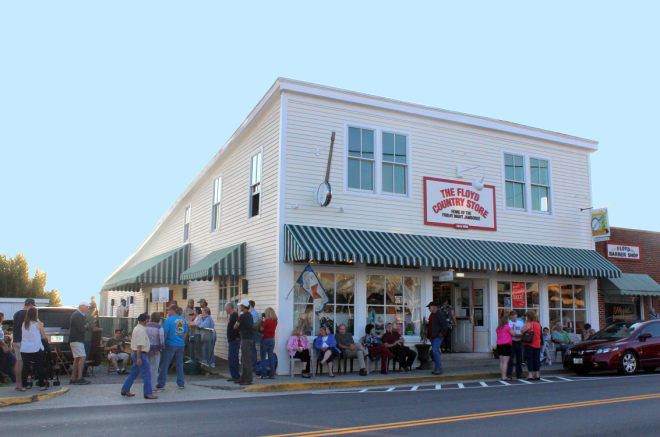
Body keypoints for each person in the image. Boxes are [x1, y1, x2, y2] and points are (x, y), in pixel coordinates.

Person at [120, 313, 157, 399]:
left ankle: (125, 389)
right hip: (140, 354)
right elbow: (140, 344)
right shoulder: (141, 330)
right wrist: (139, 358)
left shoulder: (136, 328)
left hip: (136, 353)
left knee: (133, 373)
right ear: (145, 321)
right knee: (147, 374)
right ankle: (148, 393)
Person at [69, 301, 102, 385]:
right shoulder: (77, 315)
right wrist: (87, 326)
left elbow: (86, 325)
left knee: (77, 359)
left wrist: (87, 326)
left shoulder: (81, 315)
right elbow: (82, 328)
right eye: (86, 307)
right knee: (83, 357)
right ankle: (79, 377)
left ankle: (73, 378)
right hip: (77, 339)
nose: (87, 308)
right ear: (81, 306)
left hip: (77, 339)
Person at [157, 304, 188, 390]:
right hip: (180, 344)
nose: (167, 312)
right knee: (179, 364)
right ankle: (181, 382)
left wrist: (162, 343)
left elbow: (165, 333)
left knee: (165, 364)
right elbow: (185, 332)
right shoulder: (183, 320)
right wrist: (181, 340)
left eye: (168, 310)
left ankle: (161, 383)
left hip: (170, 344)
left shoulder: (168, 320)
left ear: (173, 311)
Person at [20, 307, 48, 391]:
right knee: (39, 366)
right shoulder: (38, 324)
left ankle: (23, 386)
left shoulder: (24, 324)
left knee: (25, 367)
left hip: (25, 348)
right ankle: (42, 385)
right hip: (36, 347)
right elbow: (43, 336)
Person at [13, 298, 36, 391]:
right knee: (22, 363)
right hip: (23, 341)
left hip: (15, 340)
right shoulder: (27, 314)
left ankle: (18, 384)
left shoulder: (16, 313)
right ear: (30, 305)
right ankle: (22, 384)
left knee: (18, 363)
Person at [234, 300, 254, 386]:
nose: (240, 308)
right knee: (244, 358)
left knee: (246, 359)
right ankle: (243, 377)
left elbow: (235, 326)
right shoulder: (250, 315)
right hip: (249, 338)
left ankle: (249, 378)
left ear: (243, 306)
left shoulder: (243, 316)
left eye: (240, 306)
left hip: (245, 339)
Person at [427, 301, 448, 375]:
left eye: (429, 307)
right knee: (435, 351)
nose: (429, 308)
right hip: (432, 335)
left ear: (434, 307)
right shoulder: (432, 315)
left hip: (437, 335)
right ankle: (437, 368)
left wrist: (442, 333)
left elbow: (444, 325)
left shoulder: (439, 314)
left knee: (435, 351)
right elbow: (431, 324)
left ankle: (438, 368)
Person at [521, 310, 542, 380]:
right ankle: (537, 374)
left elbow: (522, 330)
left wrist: (525, 323)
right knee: (536, 359)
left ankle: (530, 374)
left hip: (529, 343)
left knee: (529, 359)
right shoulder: (538, 324)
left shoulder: (529, 324)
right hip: (537, 344)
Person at [146, 312, 164, 393]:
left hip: (146, 348)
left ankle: (146, 385)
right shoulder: (159, 327)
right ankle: (153, 387)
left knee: (147, 367)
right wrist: (161, 348)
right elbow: (161, 337)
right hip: (156, 349)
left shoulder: (146, 325)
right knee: (154, 368)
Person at [496, 314, 515, 381]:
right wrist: (514, 327)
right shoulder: (507, 327)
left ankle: (502, 376)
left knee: (501, 362)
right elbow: (513, 334)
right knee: (505, 362)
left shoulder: (498, 328)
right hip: (506, 345)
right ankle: (504, 376)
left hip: (499, 345)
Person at [506, 310, 524, 380]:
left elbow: (523, 331)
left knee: (519, 359)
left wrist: (520, 336)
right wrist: (515, 335)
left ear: (516, 315)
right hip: (511, 342)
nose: (513, 316)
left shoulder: (520, 323)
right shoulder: (508, 323)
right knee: (510, 359)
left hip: (519, 342)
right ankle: (509, 374)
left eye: (514, 315)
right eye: (512, 315)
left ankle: (519, 373)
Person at [225, 303, 241, 382]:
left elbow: (239, 327)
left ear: (229, 308)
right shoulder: (231, 316)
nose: (225, 310)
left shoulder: (235, 316)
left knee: (233, 357)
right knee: (232, 357)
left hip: (234, 340)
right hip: (231, 340)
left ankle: (236, 376)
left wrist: (238, 336)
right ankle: (234, 375)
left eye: (225, 308)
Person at [0, 312, 17, 383]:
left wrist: (5, 337)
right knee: (12, 358)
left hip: (2, 344)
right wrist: (4, 346)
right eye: (3, 317)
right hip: (1, 346)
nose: (3, 318)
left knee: (7, 360)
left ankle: (6, 374)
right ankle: (4, 372)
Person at [249, 300, 263, 372]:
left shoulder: (253, 313)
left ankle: (253, 364)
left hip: (253, 333)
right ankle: (252, 364)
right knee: (251, 349)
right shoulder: (251, 313)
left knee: (252, 349)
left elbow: (253, 325)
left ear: (250, 306)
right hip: (252, 333)